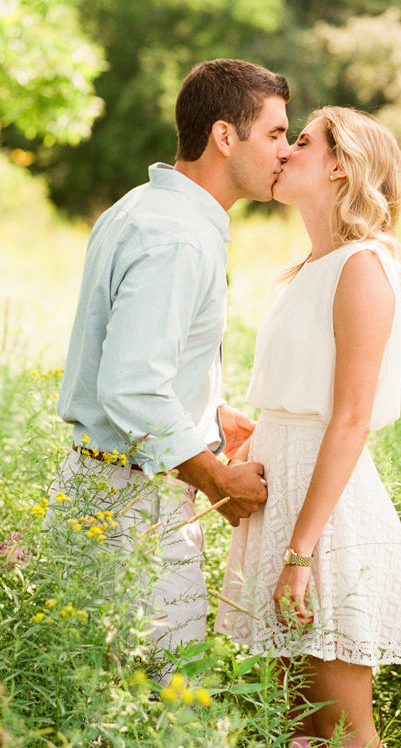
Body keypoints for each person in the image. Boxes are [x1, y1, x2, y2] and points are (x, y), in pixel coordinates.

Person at [215, 105, 401, 748]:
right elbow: (299, 401)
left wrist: (300, 552)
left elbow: (351, 418)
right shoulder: (307, 269)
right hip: (284, 503)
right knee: (300, 740)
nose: (283, 152)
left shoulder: (362, 267)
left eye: (299, 142)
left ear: (339, 165)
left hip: (323, 522)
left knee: (347, 745)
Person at [53, 58, 292, 666]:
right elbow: (133, 386)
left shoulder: (144, 208)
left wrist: (208, 412)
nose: (284, 152)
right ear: (223, 135)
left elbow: (140, 356)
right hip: (133, 506)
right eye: (274, 134)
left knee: (103, 709)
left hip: (107, 489)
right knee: (152, 710)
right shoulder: (179, 238)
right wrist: (215, 474)